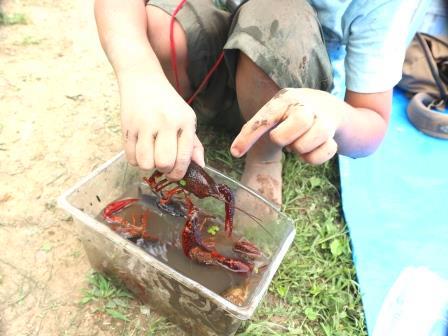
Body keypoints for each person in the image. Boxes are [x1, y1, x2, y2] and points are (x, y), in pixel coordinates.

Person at [94, 0, 430, 208]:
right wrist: (141, 77)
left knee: (277, 13)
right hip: (226, 52)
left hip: (289, 101)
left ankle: (265, 158)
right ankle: (174, 121)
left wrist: (335, 115)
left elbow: (373, 122)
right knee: (158, 24)